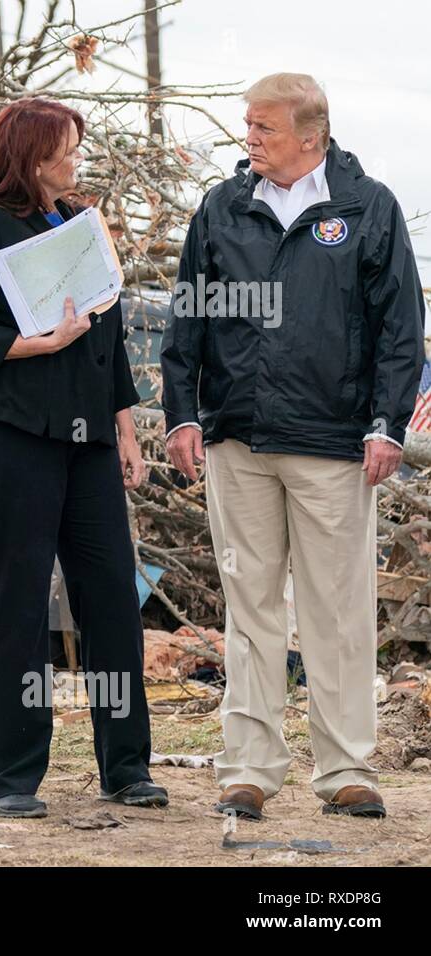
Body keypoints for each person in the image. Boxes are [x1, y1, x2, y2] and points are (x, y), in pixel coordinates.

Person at [161, 73, 426, 820]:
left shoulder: (366, 208)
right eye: (247, 126)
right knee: (249, 609)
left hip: (335, 443)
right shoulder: (221, 206)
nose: (250, 140)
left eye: (264, 129)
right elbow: (188, 316)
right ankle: (247, 769)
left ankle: (347, 771)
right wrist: (183, 413)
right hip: (238, 439)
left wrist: (387, 424)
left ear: (311, 137)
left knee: (337, 611)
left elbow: (400, 330)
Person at [0, 97, 165, 818]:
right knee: (20, 599)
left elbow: (109, 339)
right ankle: (7, 777)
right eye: (65, 150)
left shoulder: (80, 225)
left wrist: (125, 431)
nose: (75, 161)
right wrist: (39, 344)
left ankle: (126, 766)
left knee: (110, 599)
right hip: (8, 432)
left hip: (87, 434)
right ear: (30, 156)